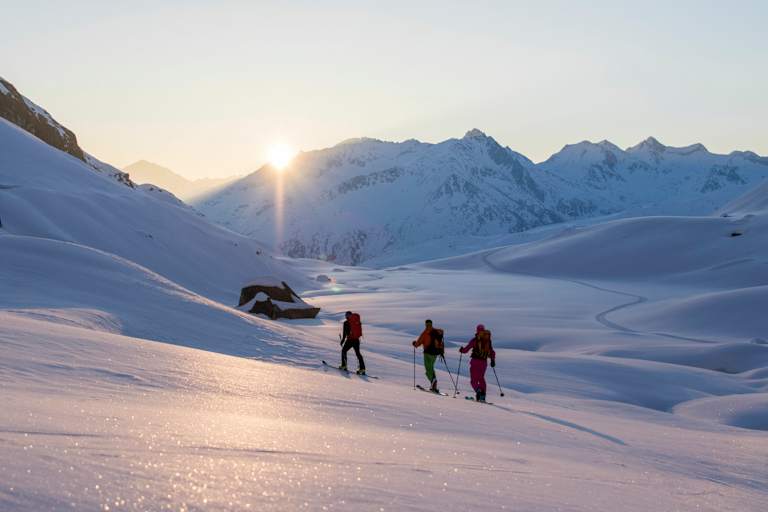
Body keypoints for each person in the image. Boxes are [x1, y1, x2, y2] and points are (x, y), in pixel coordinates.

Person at [459, 324, 496, 402]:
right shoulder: (487, 340)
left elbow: (466, 350)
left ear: (477, 330)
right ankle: (483, 396)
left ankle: (478, 391)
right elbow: (492, 352)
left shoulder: (475, 340)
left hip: (475, 361)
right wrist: (492, 360)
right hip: (484, 363)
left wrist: (462, 350)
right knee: (481, 378)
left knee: (473, 380)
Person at [412, 319, 444, 392]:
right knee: (431, 368)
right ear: (431, 324)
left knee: (428, 369)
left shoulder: (425, 333)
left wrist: (414, 344)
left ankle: (433, 382)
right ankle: (433, 385)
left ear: (426, 324)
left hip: (427, 353)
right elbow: (440, 343)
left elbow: (418, 343)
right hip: (435, 354)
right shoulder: (436, 332)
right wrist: (442, 351)